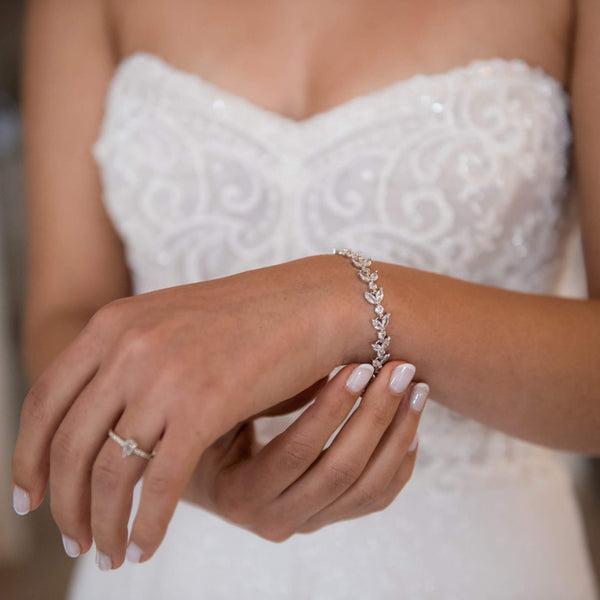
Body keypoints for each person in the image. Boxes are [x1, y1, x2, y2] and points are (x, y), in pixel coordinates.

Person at [11, 0, 600, 597]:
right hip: (173, 554)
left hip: (477, 562)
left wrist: (344, 302)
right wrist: (197, 470)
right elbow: (67, 312)